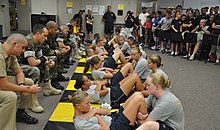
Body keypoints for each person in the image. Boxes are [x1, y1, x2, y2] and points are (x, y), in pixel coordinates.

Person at [0, 34, 41, 130]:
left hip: (2, 82)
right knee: (10, 97)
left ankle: (20, 113)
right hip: (1, 83)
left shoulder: (10, 54)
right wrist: (26, 89)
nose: (24, 51)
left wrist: (22, 85)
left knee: (28, 82)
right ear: (14, 44)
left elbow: (19, 72)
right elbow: (3, 85)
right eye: (23, 47)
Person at [19, 24, 62, 96]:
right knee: (34, 69)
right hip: (19, 65)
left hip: (29, 62)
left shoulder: (38, 42)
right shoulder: (28, 42)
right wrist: (43, 60)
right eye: (44, 36)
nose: (46, 38)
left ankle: (48, 87)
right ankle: (32, 96)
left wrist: (48, 62)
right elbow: (32, 62)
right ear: (38, 34)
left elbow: (40, 57)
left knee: (50, 61)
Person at [69, 91, 147, 130]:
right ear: (78, 106)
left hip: (113, 117)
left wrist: (95, 110)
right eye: (87, 103)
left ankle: (144, 124)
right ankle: (148, 126)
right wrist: (96, 114)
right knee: (138, 99)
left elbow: (108, 112)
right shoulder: (81, 124)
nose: (89, 105)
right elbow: (106, 128)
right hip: (114, 127)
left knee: (137, 94)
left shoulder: (86, 108)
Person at [74, 73, 148, 105]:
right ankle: (146, 96)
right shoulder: (89, 94)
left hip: (112, 90)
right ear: (83, 86)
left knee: (132, 76)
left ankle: (143, 93)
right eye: (87, 81)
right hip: (114, 97)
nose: (89, 81)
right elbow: (105, 91)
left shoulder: (90, 86)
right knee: (135, 77)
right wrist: (100, 84)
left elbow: (104, 82)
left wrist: (101, 84)